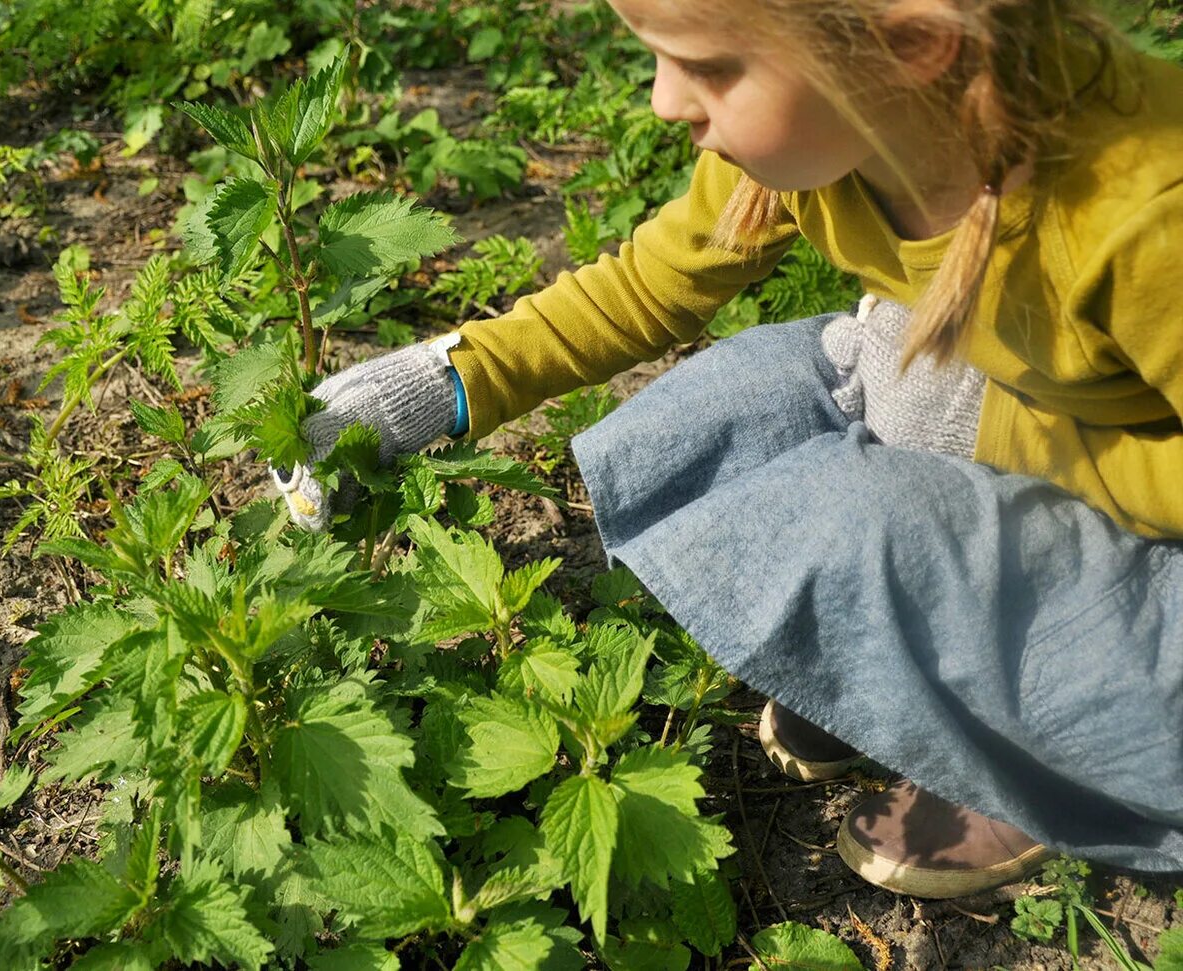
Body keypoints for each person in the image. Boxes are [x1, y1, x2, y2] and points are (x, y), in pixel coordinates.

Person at [272, 0, 1183, 899]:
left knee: (861, 515)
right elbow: (649, 283)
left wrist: (1011, 435)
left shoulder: (1145, 211)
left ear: (911, 45)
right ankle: (915, 668)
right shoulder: (839, 143)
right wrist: (438, 386)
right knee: (749, 398)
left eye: (707, 68)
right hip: (1049, 435)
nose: (665, 101)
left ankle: (1038, 762)